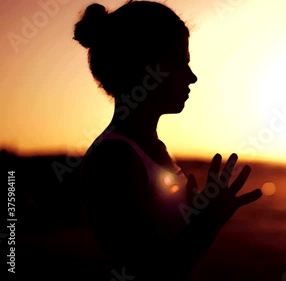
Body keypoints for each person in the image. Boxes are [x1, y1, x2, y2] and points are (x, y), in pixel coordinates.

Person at [76, 1, 263, 280]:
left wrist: (194, 214)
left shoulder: (149, 146)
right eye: (178, 63)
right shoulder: (115, 157)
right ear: (141, 68)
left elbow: (164, 240)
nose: (192, 77)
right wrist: (209, 221)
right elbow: (148, 271)